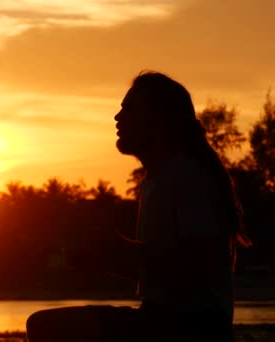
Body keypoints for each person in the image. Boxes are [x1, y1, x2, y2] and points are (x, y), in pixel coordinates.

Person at [26, 71, 251, 341]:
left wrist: (123, 250)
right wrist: (101, 258)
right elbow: (161, 272)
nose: (117, 118)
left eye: (129, 110)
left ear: (157, 120)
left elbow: (199, 264)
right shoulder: (155, 180)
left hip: (191, 326)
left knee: (47, 327)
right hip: (159, 318)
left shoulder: (186, 176)